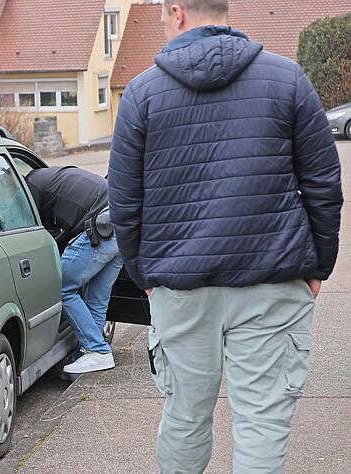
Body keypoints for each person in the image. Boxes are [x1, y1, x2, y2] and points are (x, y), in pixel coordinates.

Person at [108, 0, 343, 472]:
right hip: (273, 279)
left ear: (178, 13)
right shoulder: (288, 80)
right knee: (262, 422)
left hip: (180, 283)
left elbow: (125, 202)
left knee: (185, 417)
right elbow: (323, 184)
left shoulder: (141, 94)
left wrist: (143, 274)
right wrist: (320, 264)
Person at [25, 166, 122, 374]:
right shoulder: (49, 177)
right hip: (122, 225)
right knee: (96, 297)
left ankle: (98, 350)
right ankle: (90, 355)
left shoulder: (29, 188)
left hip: (100, 227)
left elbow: (32, 231)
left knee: (61, 288)